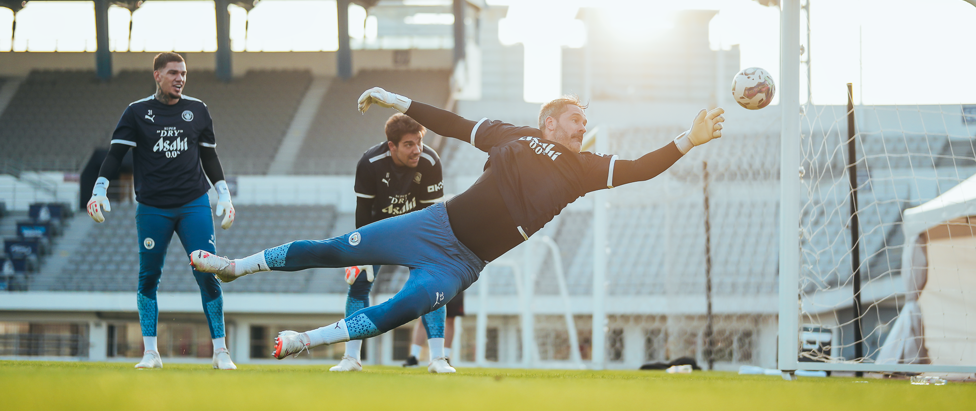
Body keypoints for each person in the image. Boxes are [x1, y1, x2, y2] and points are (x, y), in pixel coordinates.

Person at [190, 87, 723, 363]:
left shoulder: (584, 169)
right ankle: (236, 267)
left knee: (404, 308)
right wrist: (394, 99)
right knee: (335, 248)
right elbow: (451, 123)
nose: (583, 129)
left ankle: (305, 342)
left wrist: (689, 138)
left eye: (586, 124)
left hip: (464, 262)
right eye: (576, 120)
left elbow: (638, 169)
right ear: (549, 122)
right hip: (431, 225)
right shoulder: (513, 134)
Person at [88, 52, 237, 370]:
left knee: (207, 274)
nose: (180, 78)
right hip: (153, 207)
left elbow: (209, 157)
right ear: (157, 75)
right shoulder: (137, 112)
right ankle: (151, 353)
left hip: (193, 203)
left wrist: (223, 194)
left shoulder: (198, 110)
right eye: (173, 73)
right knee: (148, 278)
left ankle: (220, 352)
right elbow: (115, 155)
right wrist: (98, 189)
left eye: (183, 73)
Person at [330, 113, 454, 373]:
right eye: (409, 144)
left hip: (416, 232)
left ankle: (438, 359)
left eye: (419, 141)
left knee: (432, 284)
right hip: (378, 232)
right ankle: (351, 358)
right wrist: (359, 254)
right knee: (359, 282)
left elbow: (432, 217)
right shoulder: (369, 163)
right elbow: (362, 212)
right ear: (391, 146)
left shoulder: (430, 161)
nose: (417, 149)